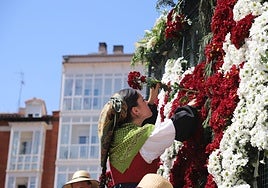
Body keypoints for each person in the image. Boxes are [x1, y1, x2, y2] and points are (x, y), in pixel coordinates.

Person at [98, 84, 199, 188]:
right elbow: (175, 127)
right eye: (143, 100)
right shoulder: (139, 138)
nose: (146, 102)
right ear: (135, 111)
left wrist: (150, 103)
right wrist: (190, 107)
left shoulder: (120, 136)